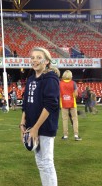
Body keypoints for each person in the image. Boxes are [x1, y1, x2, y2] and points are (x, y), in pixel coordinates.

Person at [20, 47, 60, 186]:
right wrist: (22, 124)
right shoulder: (31, 79)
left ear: (47, 61)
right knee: (40, 163)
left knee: (47, 162)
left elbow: (50, 105)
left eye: (38, 57)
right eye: (32, 57)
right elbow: (26, 103)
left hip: (45, 127)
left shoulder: (51, 79)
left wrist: (36, 127)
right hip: (32, 127)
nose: (34, 60)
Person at [60, 70, 82, 141]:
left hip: (63, 103)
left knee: (65, 120)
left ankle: (65, 136)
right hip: (72, 103)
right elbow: (76, 94)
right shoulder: (73, 83)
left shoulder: (60, 83)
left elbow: (59, 94)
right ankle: (76, 135)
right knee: (75, 119)